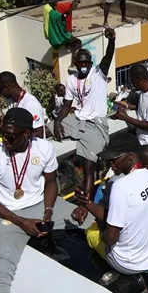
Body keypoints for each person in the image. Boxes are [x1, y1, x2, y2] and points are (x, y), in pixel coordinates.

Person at [0, 108, 92, 293]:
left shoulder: (44, 148)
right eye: (2, 133)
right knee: (2, 273)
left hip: (44, 205)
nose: (4, 139)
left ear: (27, 134)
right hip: (10, 214)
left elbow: (51, 183)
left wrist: (48, 212)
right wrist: (20, 221)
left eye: (10, 135)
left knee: (91, 221)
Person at [74, 132, 148, 275]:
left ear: (130, 156)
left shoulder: (120, 186)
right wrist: (87, 203)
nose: (110, 165)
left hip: (129, 263)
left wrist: (100, 225)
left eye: (113, 159)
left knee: (91, 233)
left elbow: (110, 238)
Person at [54, 28, 116, 199]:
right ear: (76, 64)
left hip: (96, 123)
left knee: (89, 167)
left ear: (90, 64)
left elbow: (108, 57)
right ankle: (78, 137)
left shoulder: (98, 73)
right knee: (51, 126)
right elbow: (67, 105)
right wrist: (58, 121)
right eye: (79, 63)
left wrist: (111, 41)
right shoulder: (71, 80)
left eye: (85, 63)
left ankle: (87, 201)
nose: (82, 66)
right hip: (78, 119)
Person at [114, 64, 148, 145]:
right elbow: (146, 107)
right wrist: (129, 106)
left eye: (132, 81)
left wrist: (126, 118)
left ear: (139, 79)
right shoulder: (147, 87)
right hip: (144, 141)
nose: (131, 84)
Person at [0, 72, 46, 138]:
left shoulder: (30, 104)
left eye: (0, 90)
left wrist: (11, 136)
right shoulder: (12, 100)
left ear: (6, 87)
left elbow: (38, 134)